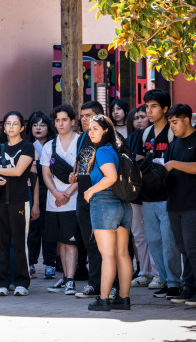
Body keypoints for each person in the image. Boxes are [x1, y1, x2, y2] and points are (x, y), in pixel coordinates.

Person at [136, 89, 182, 299]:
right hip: (148, 195)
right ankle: (164, 280)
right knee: (153, 240)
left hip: (168, 195)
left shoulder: (173, 132)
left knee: (169, 241)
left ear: (165, 109)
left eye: (153, 106)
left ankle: (174, 282)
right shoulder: (145, 134)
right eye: (147, 106)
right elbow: (139, 158)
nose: (149, 110)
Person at [85, 115, 133, 311]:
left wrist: (90, 190)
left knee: (108, 256)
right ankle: (123, 299)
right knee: (122, 254)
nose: (91, 132)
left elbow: (110, 177)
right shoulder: (116, 149)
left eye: (95, 128)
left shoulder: (104, 150)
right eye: (89, 129)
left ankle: (103, 299)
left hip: (104, 202)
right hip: (123, 204)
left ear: (106, 130)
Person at [0, 111, 34, 296]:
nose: (11, 127)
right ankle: (2, 283)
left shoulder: (27, 147)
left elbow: (18, 171)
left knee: (20, 243)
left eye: (15, 124)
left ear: (22, 127)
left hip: (19, 201)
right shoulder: (0, 146)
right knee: (1, 243)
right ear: (4, 127)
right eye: (8, 123)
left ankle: (22, 283)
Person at [41, 105, 80, 296]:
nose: (61, 123)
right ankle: (65, 277)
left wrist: (67, 193)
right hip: (54, 202)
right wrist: (57, 194)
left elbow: (84, 172)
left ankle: (71, 280)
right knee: (61, 242)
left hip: (73, 201)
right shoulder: (49, 146)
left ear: (73, 121)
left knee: (71, 241)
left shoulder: (81, 142)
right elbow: (46, 174)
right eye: (57, 120)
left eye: (64, 119)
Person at [69, 101, 105, 299]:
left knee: (107, 245)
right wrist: (74, 176)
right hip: (83, 197)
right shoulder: (82, 137)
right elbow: (80, 165)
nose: (84, 119)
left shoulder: (108, 138)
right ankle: (94, 284)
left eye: (88, 115)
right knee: (90, 243)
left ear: (99, 117)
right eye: (82, 115)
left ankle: (113, 285)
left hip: (103, 197)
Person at [164, 104, 196, 306]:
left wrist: (175, 164)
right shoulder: (174, 144)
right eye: (170, 123)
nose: (172, 127)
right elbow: (165, 168)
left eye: (174, 122)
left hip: (193, 204)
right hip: (174, 204)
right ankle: (188, 288)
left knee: (193, 249)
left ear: (186, 120)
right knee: (183, 249)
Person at [128, 104, 159, 288]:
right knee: (138, 235)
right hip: (134, 192)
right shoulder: (132, 137)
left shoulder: (153, 136)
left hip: (151, 190)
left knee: (153, 234)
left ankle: (157, 274)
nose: (139, 120)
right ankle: (144, 272)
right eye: (136, 117)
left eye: (142, 116)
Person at [26, 112, 57, 279]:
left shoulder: (54, 145)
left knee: (49, 229)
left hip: (50, 191)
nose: (38, 128)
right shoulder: (26, 146)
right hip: (30, 192)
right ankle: (30, 263)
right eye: (35, 125)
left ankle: (50, 264)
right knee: (32, 230)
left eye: (42, 124)